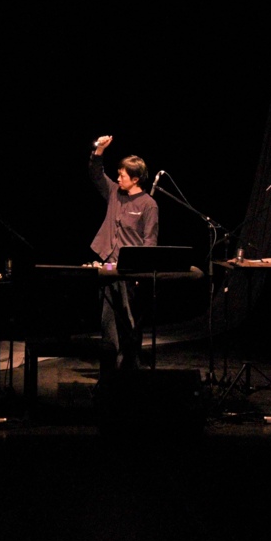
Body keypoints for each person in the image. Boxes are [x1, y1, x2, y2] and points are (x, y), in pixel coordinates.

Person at [89, 135, 159, 370]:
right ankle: (110, 368)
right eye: (118, 175)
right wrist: (99, 151)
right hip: (110, 265)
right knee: (108, 319)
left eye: (123, 175)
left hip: (131, 270)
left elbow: (150, 240)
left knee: (129, 321)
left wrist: (142, 273)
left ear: (136, 179)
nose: (118, 178)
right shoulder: (114, 193)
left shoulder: (148, 204)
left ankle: (130, 367)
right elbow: (96, 174)